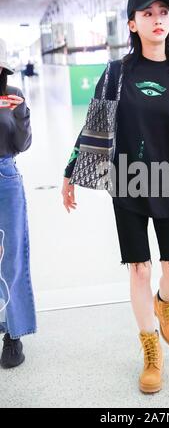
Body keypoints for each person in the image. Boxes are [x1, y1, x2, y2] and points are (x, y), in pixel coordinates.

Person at [62, 0, 169, 393]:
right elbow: (94, 127)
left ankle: (164, 305)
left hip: (168, 183)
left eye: (163, 12)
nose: (157, 19)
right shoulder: (116, 73)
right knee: (139, 270)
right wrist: (69, 172)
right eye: (147, 14)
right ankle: (151, 351)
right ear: (133, 24)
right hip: (126, 182)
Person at [0, 39, 36, 369]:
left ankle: (14, 333)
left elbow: (23, 143)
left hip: (5, 176)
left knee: (11, 256)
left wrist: (22, 111)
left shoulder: (12, 93)